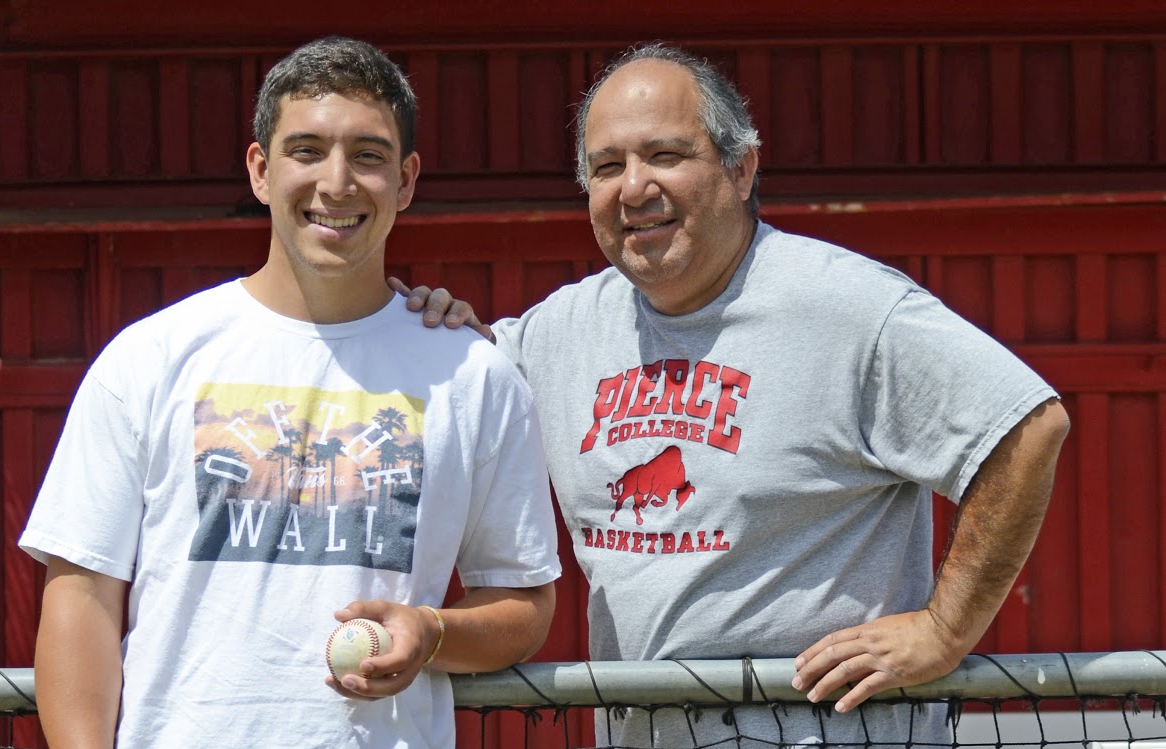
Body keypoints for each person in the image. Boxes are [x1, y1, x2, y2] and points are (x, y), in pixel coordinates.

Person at [396, 42, 1070, 748]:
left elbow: (1026, 426)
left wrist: (944, 629)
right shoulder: (556, 333)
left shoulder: (848, 309)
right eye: (606, 166)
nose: (632, 187)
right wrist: (426, 323)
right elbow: (447, 392)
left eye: (664, 155)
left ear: (741, 167)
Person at [19, 36, 560, 749]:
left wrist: (432, 633)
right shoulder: (150, 359)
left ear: (405, 179)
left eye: (367, 155)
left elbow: (523, 600)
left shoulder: (475, 376)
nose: (336, 183)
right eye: (306, 150)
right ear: (260, 169)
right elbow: (82, 595)